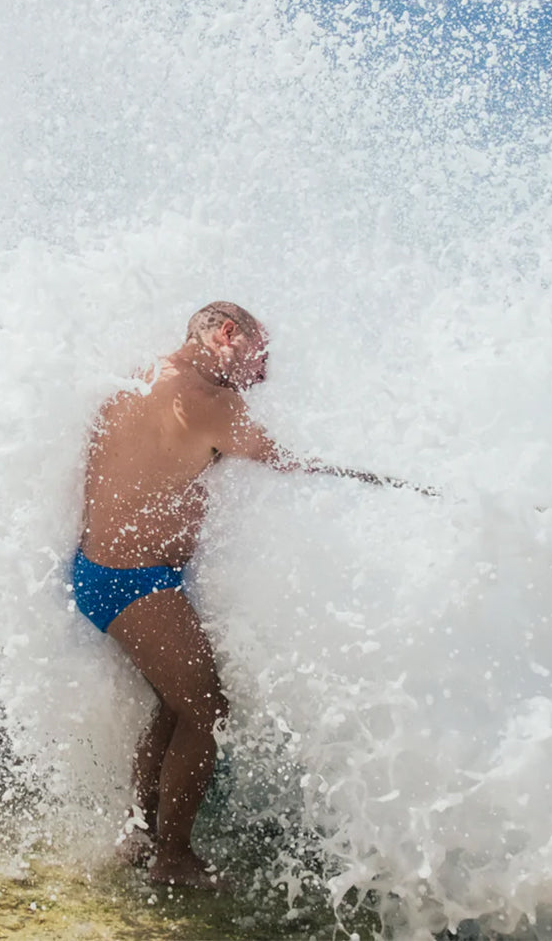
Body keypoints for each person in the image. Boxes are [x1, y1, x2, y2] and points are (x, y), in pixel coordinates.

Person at [74, 301, 402, 890]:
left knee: (176, 705)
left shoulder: (142, 373)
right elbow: (289, 460)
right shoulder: (213, 404)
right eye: (260, 356)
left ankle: (139, 833)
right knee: (207, 711)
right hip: (135, 581)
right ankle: (172, 862)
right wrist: (369, 474)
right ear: (227, 335)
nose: (264, 373)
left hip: (103, 572)